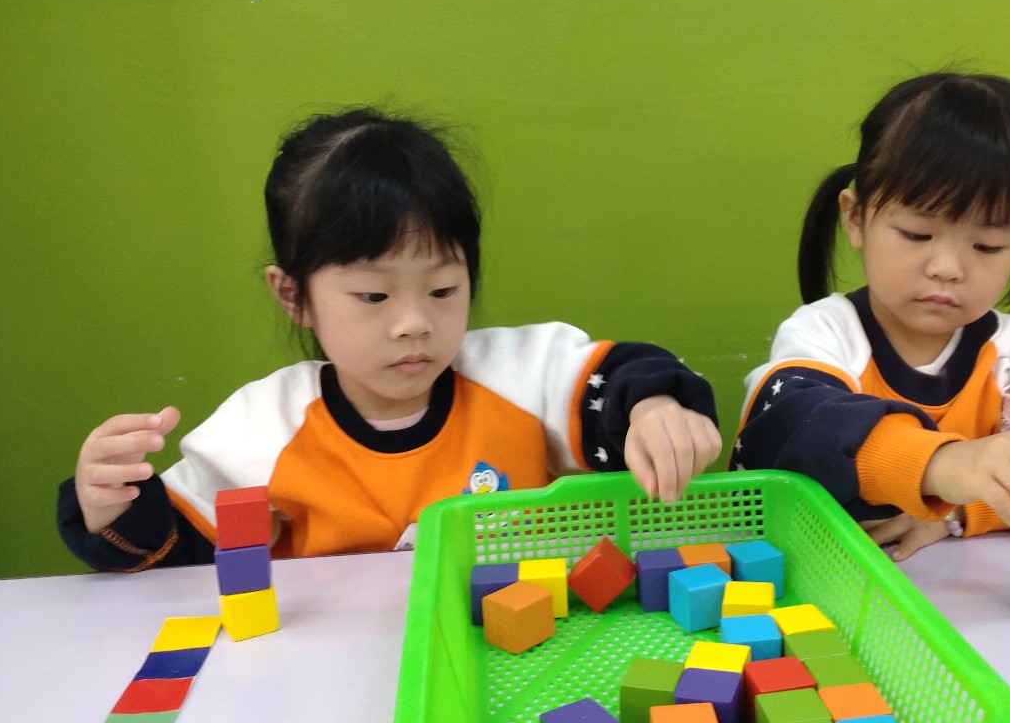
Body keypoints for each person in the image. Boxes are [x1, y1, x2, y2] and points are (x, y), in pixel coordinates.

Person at [59, 108, 721, 571]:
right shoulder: (263, 430)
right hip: (331, 675)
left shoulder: (517, 376)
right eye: (373, 297)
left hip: (509, 655)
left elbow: (621, 377)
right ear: (294, 296)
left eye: (443, 290)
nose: (414, 323)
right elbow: (175, 551)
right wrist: (108, 504)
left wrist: (655, 409)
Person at [731, 72, 1010, 560]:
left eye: (988, 246)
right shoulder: (823, 334)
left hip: (964, 592)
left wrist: (958, 509)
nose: (948, 269)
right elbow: (787, 432)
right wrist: (938, 464)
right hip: (813, 580)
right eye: (916, 234)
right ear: (855, 218)